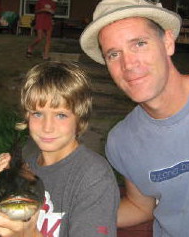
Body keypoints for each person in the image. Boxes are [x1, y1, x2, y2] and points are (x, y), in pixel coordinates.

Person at [80, 0, 189, 236]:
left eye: (139, 43)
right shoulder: (122, 141)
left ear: (168, 42)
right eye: (114, 54)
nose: (128, 64)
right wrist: (68, 214)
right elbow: (141, 206)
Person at [0, 61, 120, 237]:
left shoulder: (94, 177)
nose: (47, 127)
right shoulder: (26, 158)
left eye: (61, 115)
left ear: (80, 119)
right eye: (38, 113)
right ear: (27, 115)